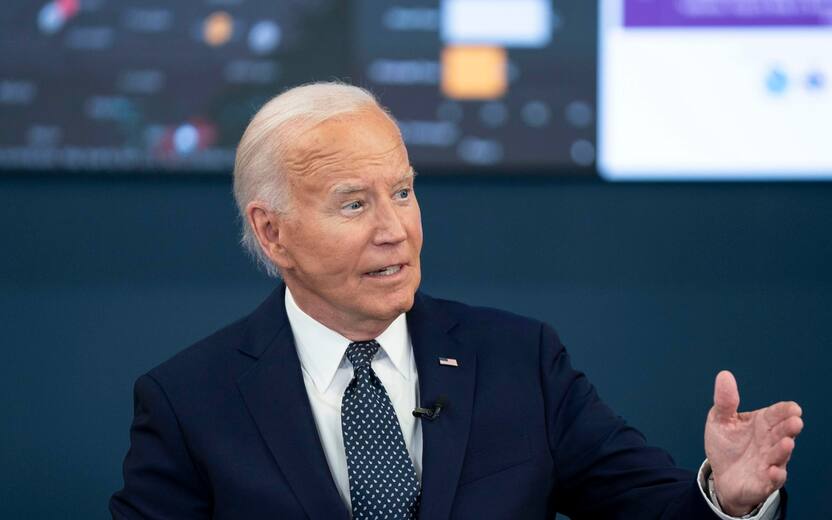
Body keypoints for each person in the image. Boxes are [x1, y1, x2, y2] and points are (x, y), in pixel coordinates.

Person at [110, 82, 803, 519]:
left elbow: (654, 507)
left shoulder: (519, 361)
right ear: (273, 232)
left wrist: (728, 500)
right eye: (354, 204)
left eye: (403, 192)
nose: (395, 229)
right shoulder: (189, 401)